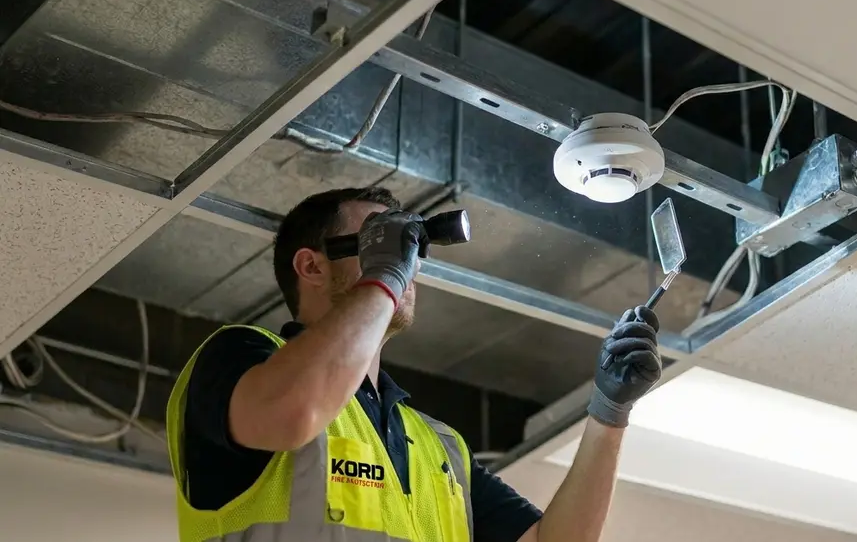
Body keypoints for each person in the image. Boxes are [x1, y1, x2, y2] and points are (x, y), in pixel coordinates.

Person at [164, 187, 663, 542]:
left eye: (408, 250)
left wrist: (607, 413)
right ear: (311, 266)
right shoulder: (241, 357)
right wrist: (384, 276)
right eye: (378, 241)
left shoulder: (439, 447)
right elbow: (290, 413)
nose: (406, 263)